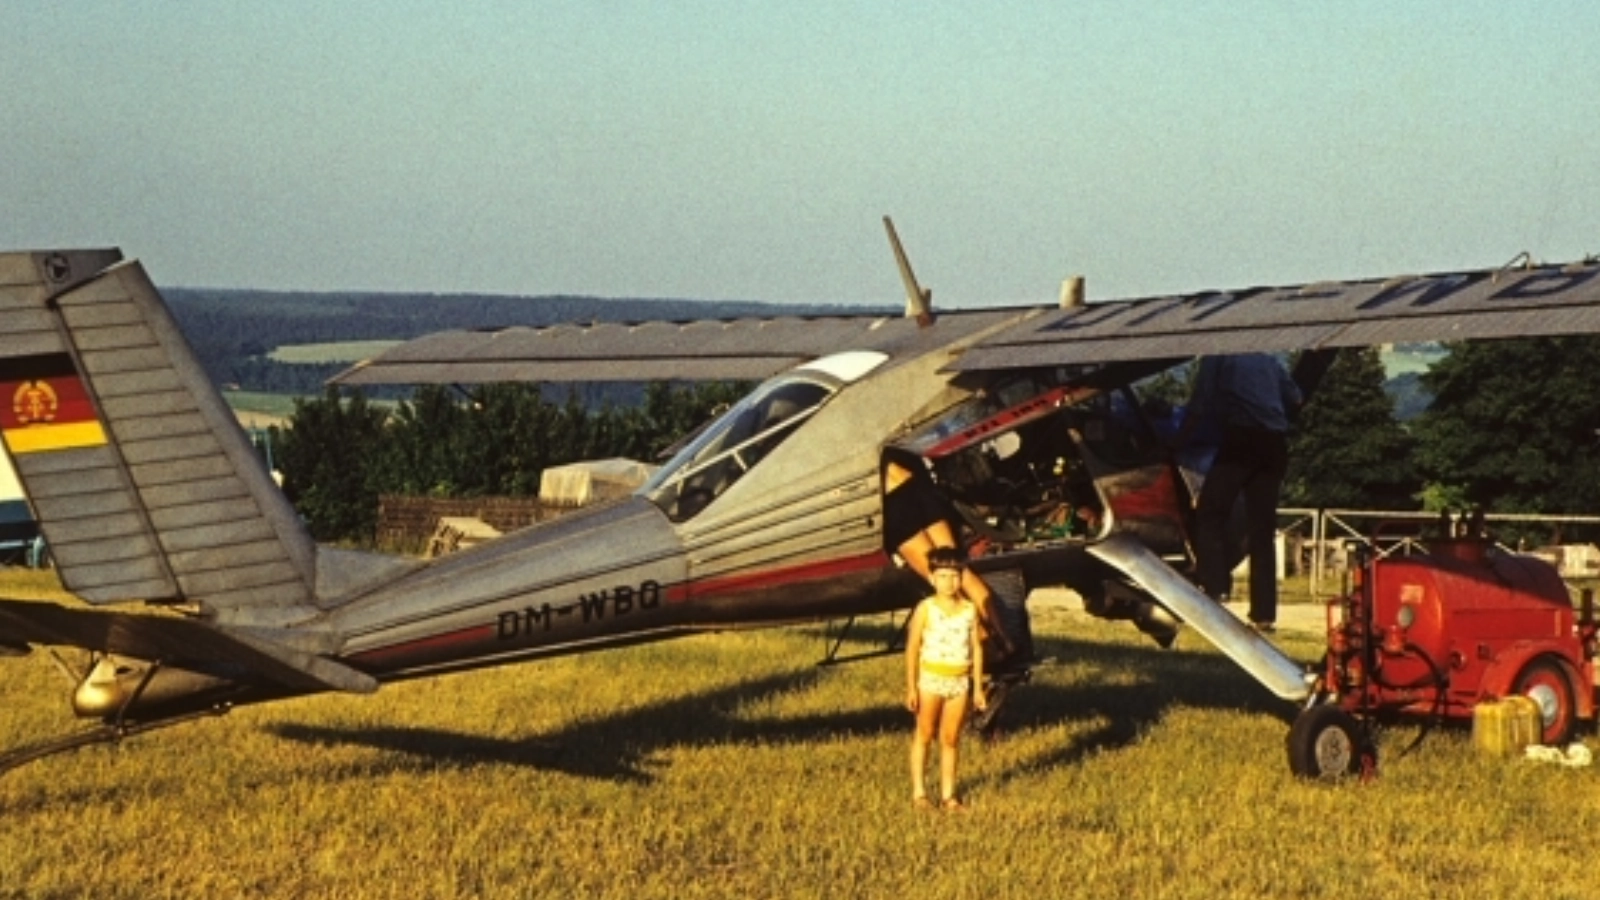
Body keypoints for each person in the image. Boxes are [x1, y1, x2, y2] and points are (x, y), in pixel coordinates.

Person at [1184, 353, 1301, 631]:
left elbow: (1200, 403)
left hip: (1241, 438)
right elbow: (1296, 397)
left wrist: (1178, 439)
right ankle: (1264, 613)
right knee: (1262, 529)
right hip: (1274, 444)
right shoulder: (1268, 358)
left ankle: (1215, 587)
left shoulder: (1219, 355)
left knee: (1210, 511)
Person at [881, 450, 1017, 665]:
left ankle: (984, 646)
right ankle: (1005, 641)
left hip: (894, 500)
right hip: (919, 487)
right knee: (961, 572)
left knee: (941, 579)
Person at [904, 546, 986, 810]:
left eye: (954, 575)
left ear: (962, 577)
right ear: (931, 578)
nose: (948, 582)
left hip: (959, 683)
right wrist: (911, 687)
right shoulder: (925, 608)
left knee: (950, 739)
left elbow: (976, 648)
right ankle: (919, 793)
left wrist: (977, 689)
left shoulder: (969, 610)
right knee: (925, 734)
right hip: (931, 681)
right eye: (942, 576)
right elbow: (913, 647)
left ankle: (948, 795)